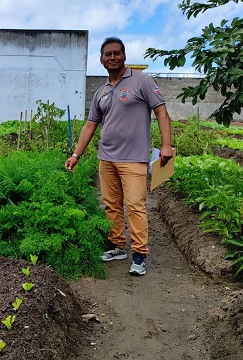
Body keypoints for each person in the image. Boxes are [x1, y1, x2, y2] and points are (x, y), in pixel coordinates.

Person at [65, 37, 173, 276]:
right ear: (102, 60)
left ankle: (139, 253)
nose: (112, 57)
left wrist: (167, 145)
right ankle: (117, 245)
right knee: (111, 205)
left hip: (134, 158)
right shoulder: (101, 91)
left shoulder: (142, 80)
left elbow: (161, 112)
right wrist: (76, 155)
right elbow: (90, 126)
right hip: (107, 158)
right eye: (107, 54)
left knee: (135, 206)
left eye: (116, 53)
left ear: (124, 56)